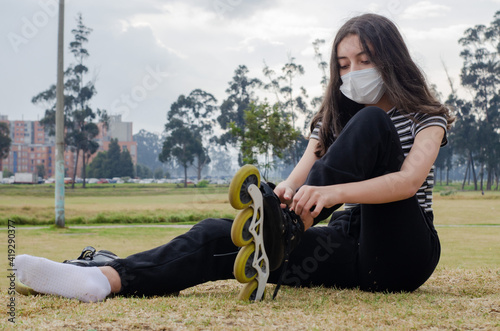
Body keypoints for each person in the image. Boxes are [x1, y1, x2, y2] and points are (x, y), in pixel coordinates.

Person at [14, 13, 454, 303]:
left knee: (371, 126)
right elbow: (302, 178)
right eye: (343, 64)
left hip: (402, 253)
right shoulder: (333, 119)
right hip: (348, 248)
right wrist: (279, 201)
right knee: (222, 236)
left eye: (364, 60)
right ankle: (104, 280)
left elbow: (409, 182)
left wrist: (328, 193)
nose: (352, 72)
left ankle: (285, 230)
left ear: (390, 59)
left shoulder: (425, 116)